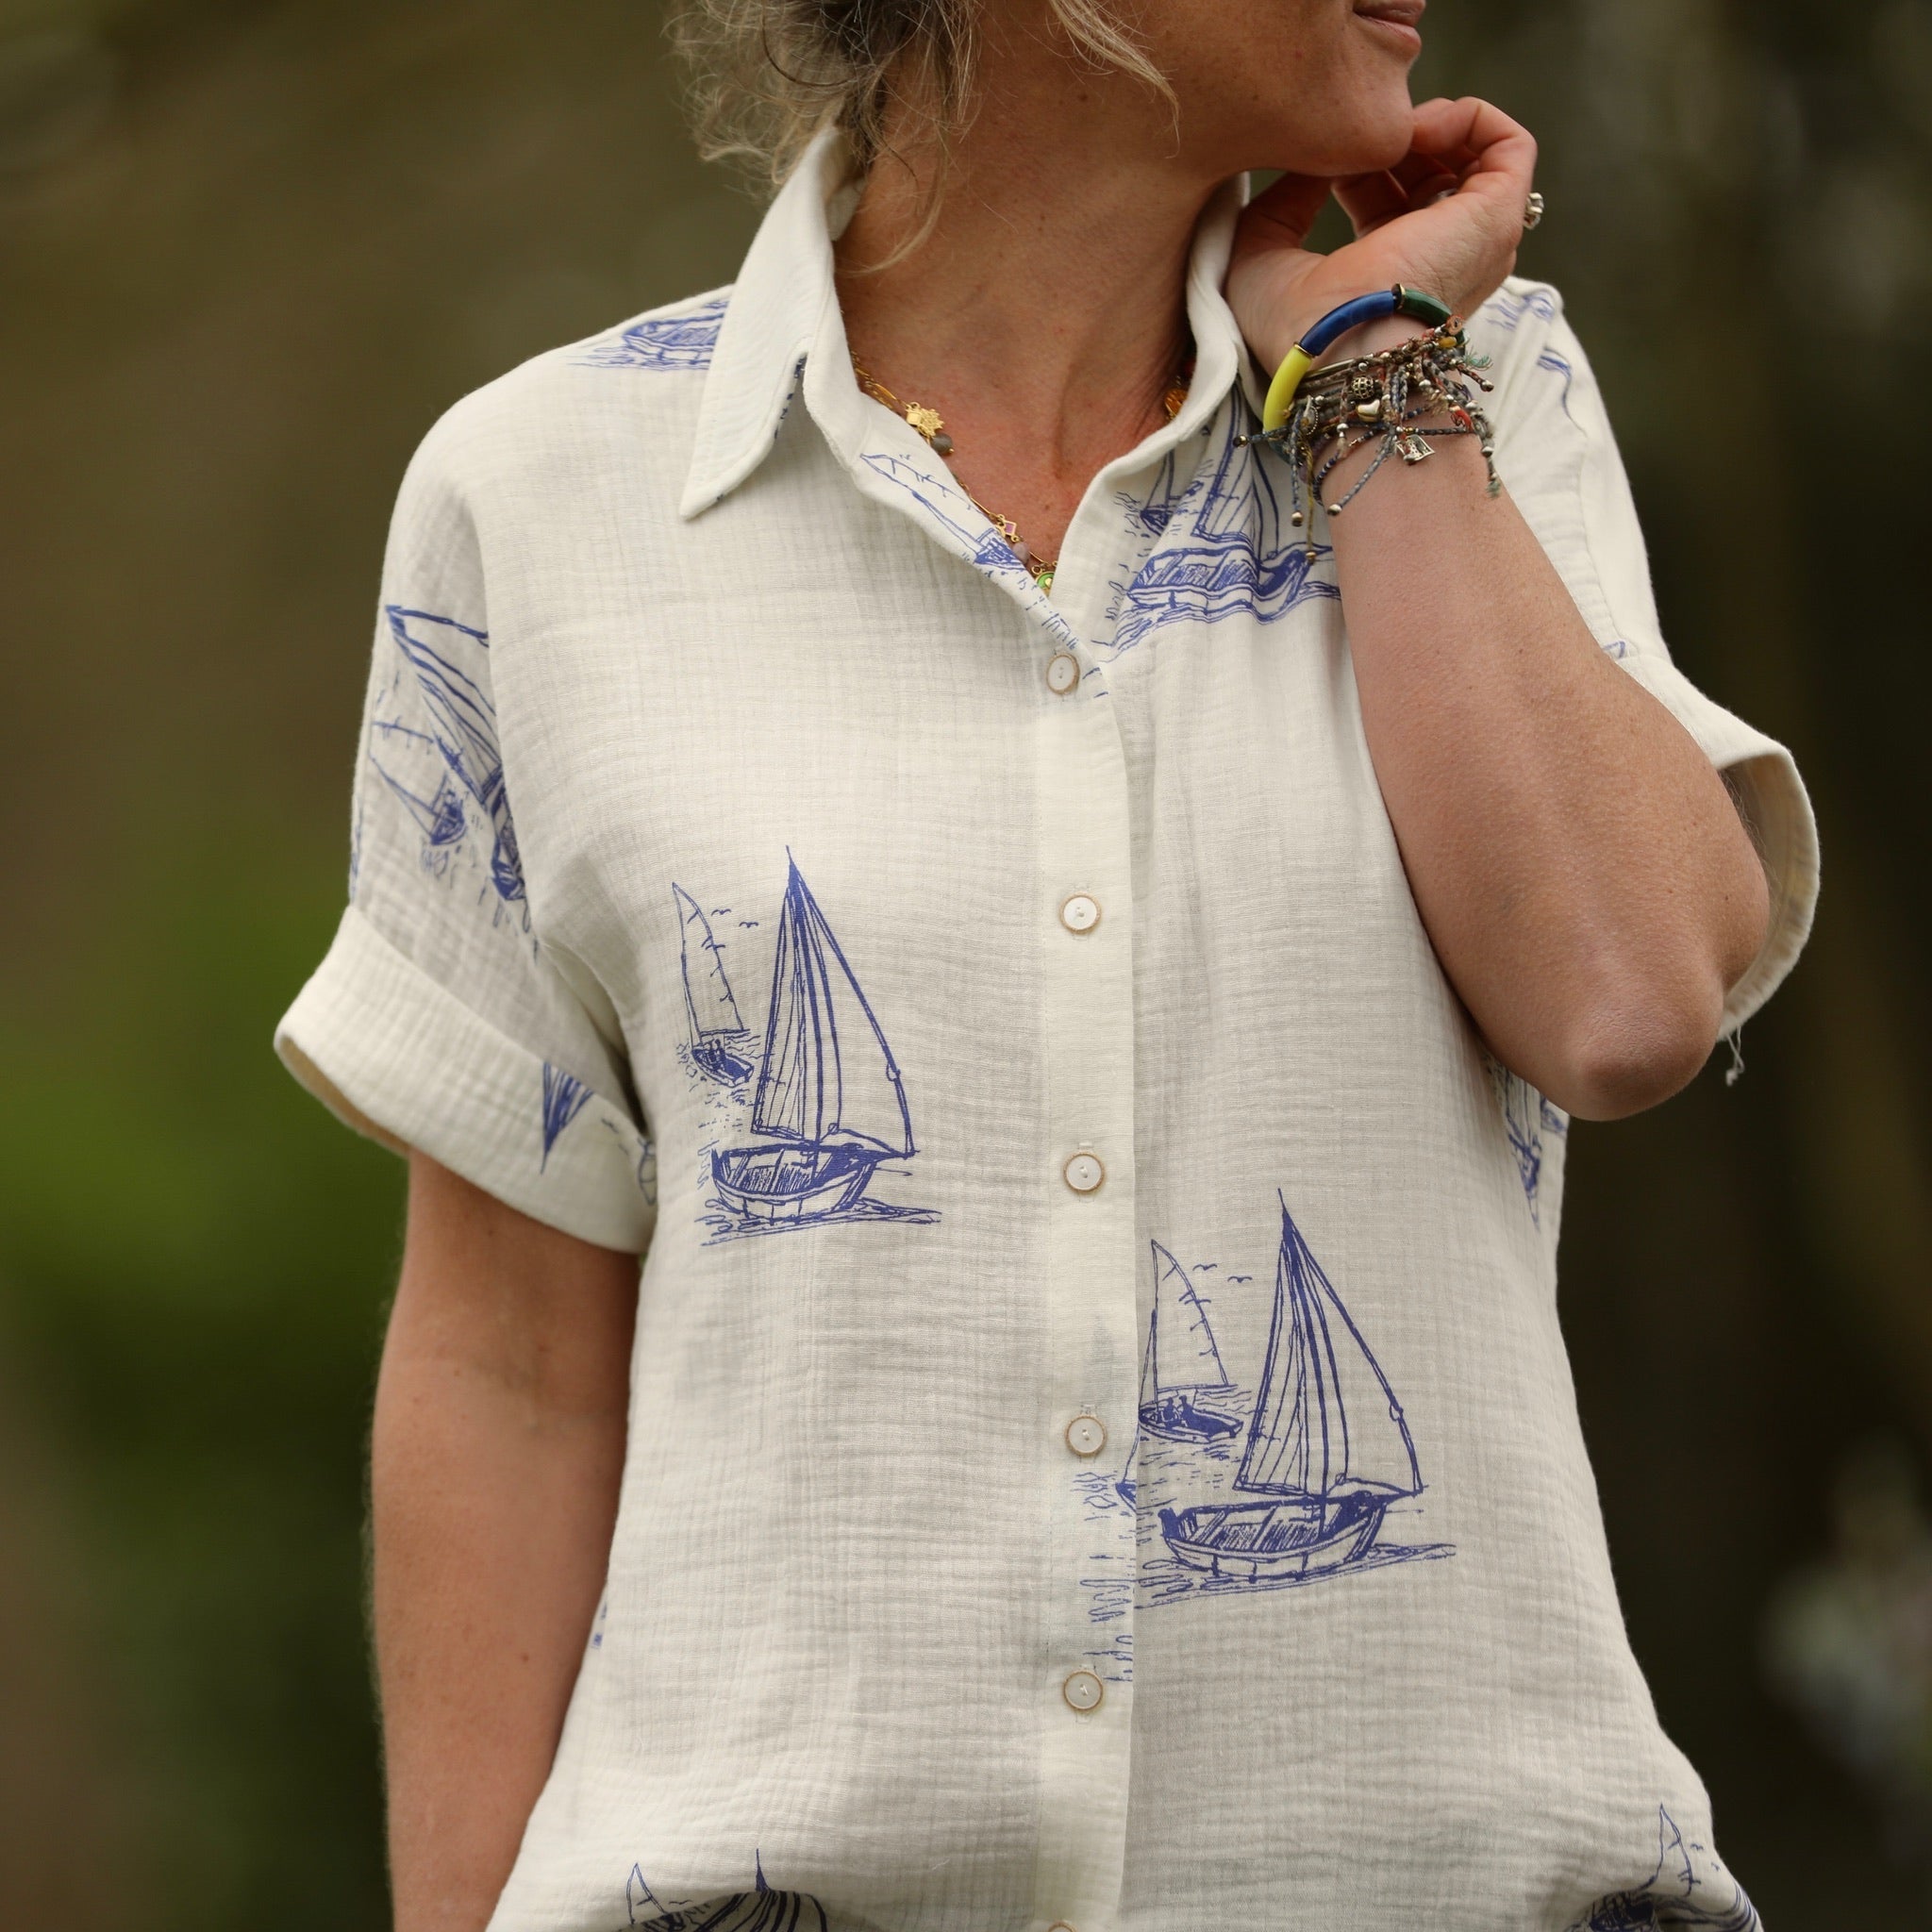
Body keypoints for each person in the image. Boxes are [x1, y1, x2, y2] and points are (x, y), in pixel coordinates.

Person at [275, 0, 1819, 1924]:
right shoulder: (540, 495)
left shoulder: (1469, 389)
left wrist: (1369, 372)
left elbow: (1625, 995)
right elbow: (511, 1366)